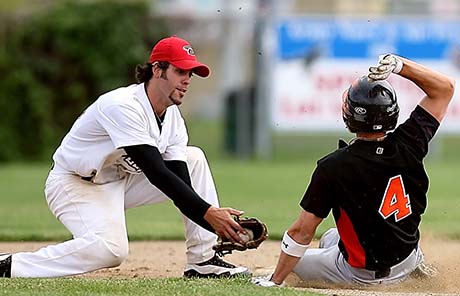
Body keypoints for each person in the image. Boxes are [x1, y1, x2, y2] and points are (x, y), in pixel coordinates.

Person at [0, 36, 251, 278]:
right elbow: (157, 173)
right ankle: (10, 265)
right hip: (75, 184)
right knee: (111, 250)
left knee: (193, 158)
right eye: (180, 71)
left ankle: (203, 261)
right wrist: (210, 214)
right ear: (158, 70)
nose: (187, 80)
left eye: (190, 74)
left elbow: (180, 180)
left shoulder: (172, 117)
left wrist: (216, 222)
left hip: (120, 182)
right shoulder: (123, 105)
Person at [253, 54, 455, 287]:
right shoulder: (411, 142)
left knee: (292, 262)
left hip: (364, 275)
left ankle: (292, 277)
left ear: (350, 115)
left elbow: (301, 232)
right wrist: (400, 65)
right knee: (331, 237)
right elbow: (444, 88)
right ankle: (414, 268)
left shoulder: (333, 166)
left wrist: (275, 280)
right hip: (407, 259)